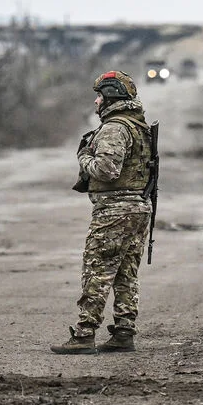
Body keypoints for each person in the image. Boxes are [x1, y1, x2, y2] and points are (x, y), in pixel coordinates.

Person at [52, 70, 153, 355]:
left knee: (97, 271)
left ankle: (84, 335)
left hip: (115, 210)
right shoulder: (136, 125)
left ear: (110, 96)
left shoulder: (115, 127)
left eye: (99, 96)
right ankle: (124, 332)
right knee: (125, 273)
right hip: (137, 208)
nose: (96, 102)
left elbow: (107, 170)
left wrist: (84, 157)